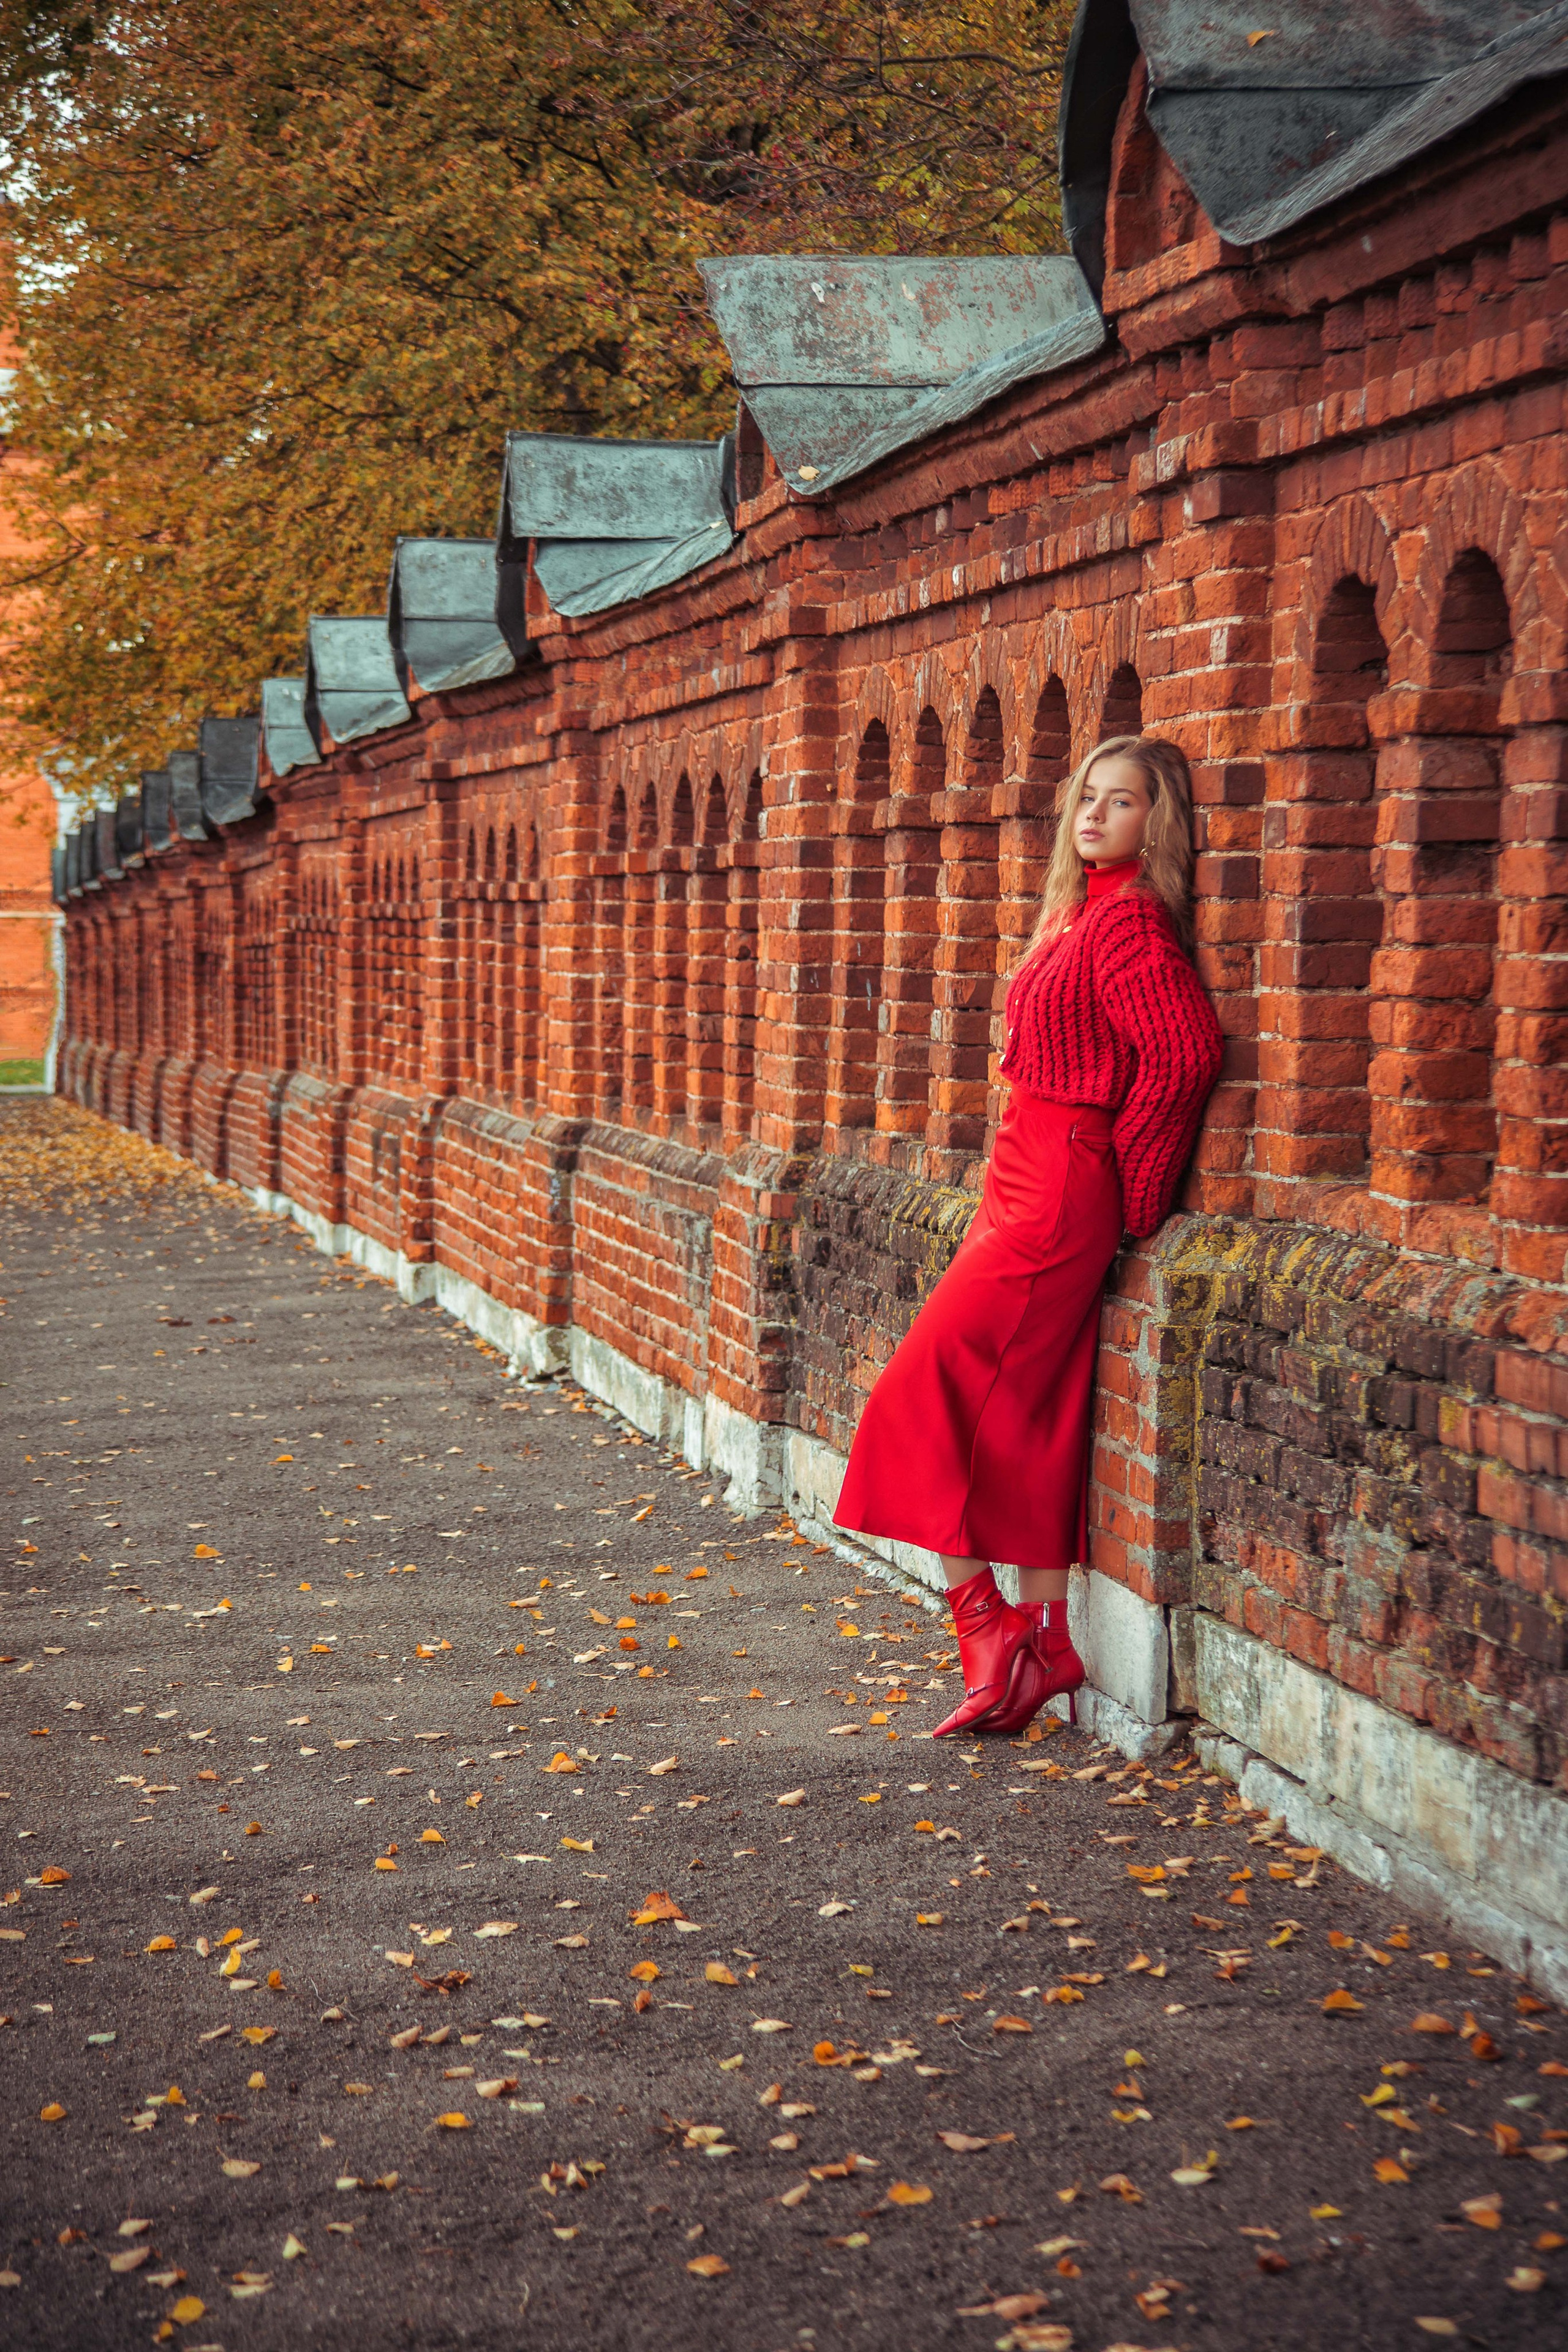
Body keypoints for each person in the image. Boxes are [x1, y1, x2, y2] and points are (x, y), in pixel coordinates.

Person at [832, 734, 1224, 1739]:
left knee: (914, 1390)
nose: (1093, 815)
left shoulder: (1131, 921)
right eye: (1088, 797)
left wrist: (1131, 1198)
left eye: (1122, 802)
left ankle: (986, 1629)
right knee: (1037, 1413)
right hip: (1023, 1175)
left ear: (1159, 821)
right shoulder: (1078, 910)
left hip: (1060, 1184)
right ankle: (1046, 1638)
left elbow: (1182, 1058)